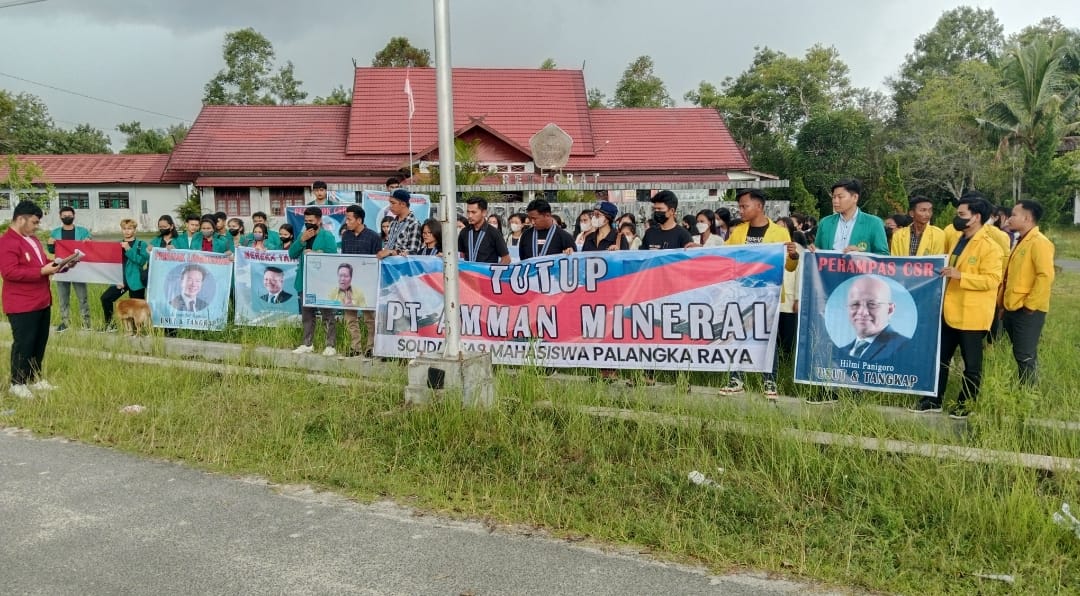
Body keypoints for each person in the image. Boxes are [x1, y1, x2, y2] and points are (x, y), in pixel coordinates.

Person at [909, 193, 1003, 418]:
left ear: (976, 217)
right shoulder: (959, 240)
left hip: (971, 314)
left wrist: (962, 276)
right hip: (949, 310)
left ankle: (965, 403)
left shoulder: (990, 247)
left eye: (962, 214)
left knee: (971, 364)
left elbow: (992, 280)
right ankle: (933, 399)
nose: (957, 218)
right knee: (940, 358)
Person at [719, 188, 793, 399]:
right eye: (739, 206)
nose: (740, 210)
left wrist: (794, 256)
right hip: (741, 293)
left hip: (768, 295)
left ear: (759, 207)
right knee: (737, 336)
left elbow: (788, 266)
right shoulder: (738, 232)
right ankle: (736, 379)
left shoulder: (779, 233)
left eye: (744, 206)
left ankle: (769, 382)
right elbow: (725, 257)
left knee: (767, 339)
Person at [1, 201, 62, 399]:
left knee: (39, 341)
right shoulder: (7, 242)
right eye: (34, 222)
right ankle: (17, 383)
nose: (37, 226)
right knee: (24, 343)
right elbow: (9, 272)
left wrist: (57, 264)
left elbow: (41, 263)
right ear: (21, 219)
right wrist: (41, 271)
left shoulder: (32, 240)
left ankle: (34, 378)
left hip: (42, 299)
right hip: (21, 303)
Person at [999, 200, 1055, 387]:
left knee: (1024, 354)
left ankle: (1028, 393)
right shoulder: (1020, 240)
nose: (1010, 218)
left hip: (1027, 309)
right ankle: (1024, 388)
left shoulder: (1040, 242)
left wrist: (1030, 305)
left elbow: (1045, 276)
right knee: (1020, 352)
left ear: (1027, 218)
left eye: (1014, 215)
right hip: (1012, 306)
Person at [290, 206, 340, 356]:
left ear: (319, 220)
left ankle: (330, 345)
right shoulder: (303, 235)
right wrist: (301, 241)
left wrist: (317, 253)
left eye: (311, 221)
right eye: (306, 221)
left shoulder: (327, 236)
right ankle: (307, 343)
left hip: (322, 282)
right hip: (304, 281)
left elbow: (332, 256)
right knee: (307, 314)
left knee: (327, 314)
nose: (308, 223)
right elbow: (292, 253)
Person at [833, 275, 910, 362]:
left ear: (890, 310)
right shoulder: (841, 352)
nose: (862, 312)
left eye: (872, 304)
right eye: (855, 304)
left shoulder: (905, 348)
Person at [340, 203, 382, 357]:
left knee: (369, 318)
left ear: (359, 220)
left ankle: (370, 347)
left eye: (349, 219)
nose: (347, 222)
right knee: (350, 317)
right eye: (346, 219)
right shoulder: (346, 236)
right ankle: (355, 346)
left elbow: (377, 261)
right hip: (349, 285)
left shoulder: (373, 237)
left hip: (368, 284)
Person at [805, 179, 888, 255]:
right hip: (829, 271)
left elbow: (883, 256)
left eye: (840, 197)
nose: (835, 201)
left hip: (860, 271)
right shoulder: (825, 222)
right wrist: (813, 250)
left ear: (855, 197)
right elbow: (818, 250)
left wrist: (862, 255)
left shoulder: (874, 223)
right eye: (834, 197)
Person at [47, 205, 92, 332]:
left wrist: (88, 241)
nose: (67, 217)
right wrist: (49, 243)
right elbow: (52, 250)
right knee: (63, 298)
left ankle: (86, 323)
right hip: (62, 268)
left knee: (83, 298)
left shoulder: (83, 231)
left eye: (69, 215)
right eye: (64, 215)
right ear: (60, 217)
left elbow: (89, 247)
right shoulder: (55, 232)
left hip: (79, 267)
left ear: (74, 216)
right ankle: (65, 322)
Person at [101, 219, 150, 331]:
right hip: (120, 281)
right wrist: (116, 280)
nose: (127, 231)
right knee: (106, 298)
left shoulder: (141, 245)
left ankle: (138, 330)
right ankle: (110, 325)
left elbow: (142, 261)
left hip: (136, 281)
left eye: (130, 228)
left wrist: (128, 249)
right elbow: (113, 264)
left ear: (135, 230)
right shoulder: (117, 244)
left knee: (136, 307)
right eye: (124, 229)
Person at [459, 197, 511, 264]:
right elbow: (461, 256)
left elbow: (506, 259)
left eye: (473, 212)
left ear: (484, 212)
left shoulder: (494, 233)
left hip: (486, 274)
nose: (470, 216)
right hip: (469, 273)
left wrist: (493, 273)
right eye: (468, 212)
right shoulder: (464, 232)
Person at [377, 189, 422, 258]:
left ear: (403, 204)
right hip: (389, 266)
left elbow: (413, 252)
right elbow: (389, 246)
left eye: (393, 203)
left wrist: (392, 252)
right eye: (390, 203)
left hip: (403, 267)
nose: (390, 206)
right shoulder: (393, 223)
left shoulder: (414, 224)